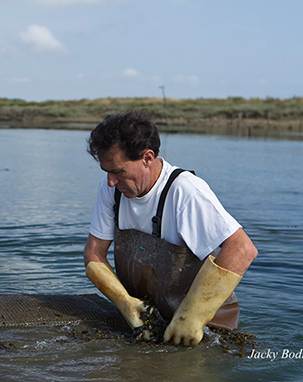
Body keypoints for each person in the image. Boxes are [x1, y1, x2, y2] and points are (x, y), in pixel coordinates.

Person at [84, 110, 258, 346]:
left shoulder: (185, 191)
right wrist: (125, 302)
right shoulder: (112, 190)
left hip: (205, 330)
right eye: (106, 172)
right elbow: (94, 254)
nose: (110, 181)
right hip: (150, 321)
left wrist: (194, 317)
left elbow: (242, 249)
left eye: (118, 171)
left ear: (147, 157)